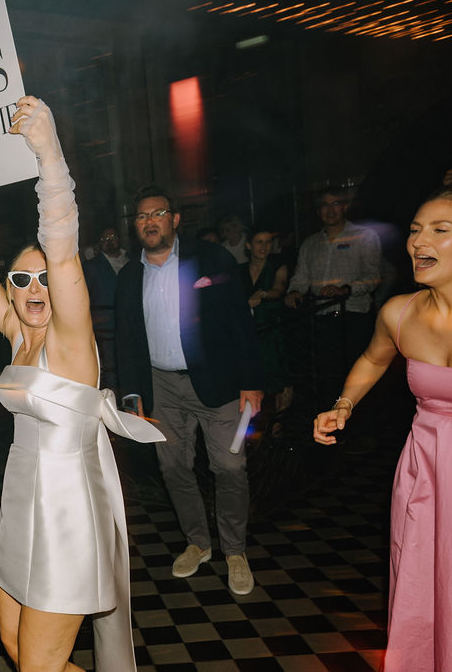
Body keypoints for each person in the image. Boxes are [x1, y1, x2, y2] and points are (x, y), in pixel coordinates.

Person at [0, 96, 163, 672]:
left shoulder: (70, 341)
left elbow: (61, 246)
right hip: (20, 504)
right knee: (14, 647)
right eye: (21, 278)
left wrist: (48, 154)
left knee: (37, 666)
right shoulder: (15, 333)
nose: (34, 288)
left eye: (45, 278)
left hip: (66, 513)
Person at [314, 183, 452, 671]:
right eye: (415, 230)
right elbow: (372, 359)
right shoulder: (400, 312)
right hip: (424, 469)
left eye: (440, 230)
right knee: (425, 583)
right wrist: (344, 404)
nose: (418, 241)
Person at [115, 185, 264, 596]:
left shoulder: (211, 258)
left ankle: (234, 550)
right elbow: (125, 342)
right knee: (173, 468)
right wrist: (131, 396)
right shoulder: (129, 276)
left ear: (175, 219)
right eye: (142, 216)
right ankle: (198, 542)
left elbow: (240, 322)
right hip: (160, 385)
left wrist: (252, 381)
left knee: (229, 466)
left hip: (218, 381)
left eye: (158, 213)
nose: (149, 222)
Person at [284, 186, 382, 373]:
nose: (330, 210)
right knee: (326, 375)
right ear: (317, 211)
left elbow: (373, 276)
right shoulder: (310, 243)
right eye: (324, 205)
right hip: (320, 319)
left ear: (345, 206)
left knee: (356, 376)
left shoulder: (365, 236)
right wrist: (294, 292)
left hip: (354, 317)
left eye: (335, 203)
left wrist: (345, 290)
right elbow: (300, 277)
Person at [240, 227, 291, 408]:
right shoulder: (239, 270)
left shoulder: (278, 266)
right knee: (252, 378)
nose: (264, 246)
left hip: (272, 329)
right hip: (248, 331)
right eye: (259, 242)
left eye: (268, 242)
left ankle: (280, 422)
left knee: (280, 379)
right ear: (249, 245)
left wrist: (261, 294)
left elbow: (278, 289)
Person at [83, 226, 128, 391]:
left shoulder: (132, 260)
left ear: (119, 239)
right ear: (99, 243)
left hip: (131, 323)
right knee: (110, 368)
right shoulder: (91, 267)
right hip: (105, 327)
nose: (109, 241)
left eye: (113, 237)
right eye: (105, 239)